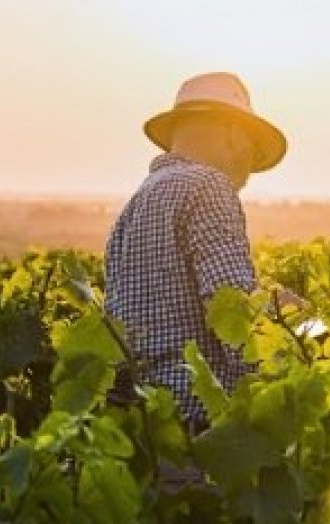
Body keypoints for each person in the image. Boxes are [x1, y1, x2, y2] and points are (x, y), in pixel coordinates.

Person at [104, 72, 290, 429]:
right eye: (253, 154)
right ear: (235, 134)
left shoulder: (133, 206)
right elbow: (230, 309)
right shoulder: (208, 185)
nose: (249, 173)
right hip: (201, 423)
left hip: (147, 425)